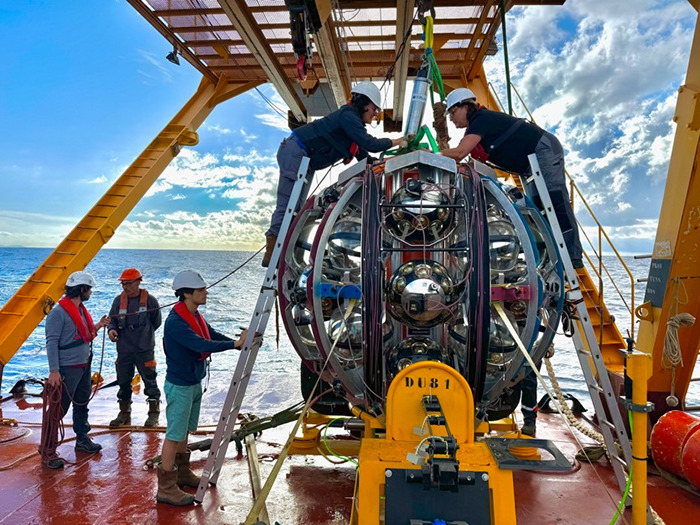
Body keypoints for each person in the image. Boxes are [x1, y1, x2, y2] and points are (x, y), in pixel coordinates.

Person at [262, 81, 407, 267]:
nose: (375, 114)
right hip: (296, 151)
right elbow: (370, 143)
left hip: (306, 160)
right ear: (363, 103)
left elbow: (365, 157)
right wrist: (398, 141)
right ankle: (273, 246)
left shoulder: (353, 128)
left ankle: (284, 249)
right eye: (374, 109)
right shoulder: (348, 117)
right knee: (289, 202)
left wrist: (390, 163)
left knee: (297, 207)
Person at [440, 88, 584, 269]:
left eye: (453, 113)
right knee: (537, 209)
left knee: (554, 201)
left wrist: (432, 154)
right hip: (527, 165)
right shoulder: (477, 124)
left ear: (465, 106)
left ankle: (572, 255)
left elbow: (460, 152)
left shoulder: (481, 119)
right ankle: (551, 256)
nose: (451, 118)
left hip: (543, 150)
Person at [156, 270, 248, 506]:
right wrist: (233, 345)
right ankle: (165, 488)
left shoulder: (193, 314)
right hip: (180, 385)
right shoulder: (176, 322)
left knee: (184, 431)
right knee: (174, 435)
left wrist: (235, 343)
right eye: (201, 290)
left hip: (193, 382)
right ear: (187, 294)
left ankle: (183, 474)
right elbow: (199, 343)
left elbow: (210, 334)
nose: (206, 292)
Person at [43, 271, 111, 468]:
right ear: (82, 289)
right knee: (59, 407)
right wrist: (54, 370)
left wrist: (98, 325)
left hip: (83, 365)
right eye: (89, 289)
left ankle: (82, 439)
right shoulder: (58, 313)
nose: (90, 293)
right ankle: (47, 449)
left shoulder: (80, 310)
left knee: (81, 402)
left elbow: (82, 335)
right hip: (67, 368)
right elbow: (52, 342)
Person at [107, 268, 162, 427]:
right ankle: (124, 413)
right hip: (124, 349)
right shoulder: (118, 301)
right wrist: (112, 330)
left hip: (144, 349)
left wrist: (144, 334)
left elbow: (156, 322)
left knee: (149, 381)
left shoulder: (150, 301)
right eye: (123, 284)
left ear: (138, 282)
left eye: (129, 284)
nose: (125, 287)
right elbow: (112, 320)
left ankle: (153, 414)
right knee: (123, 381)